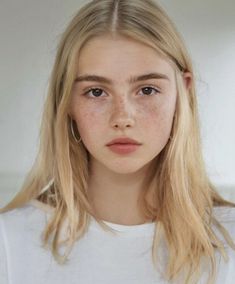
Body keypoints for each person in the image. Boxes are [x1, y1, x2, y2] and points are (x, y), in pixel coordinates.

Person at [0, 0, 235, 283]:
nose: (122, 117)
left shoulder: (228, 242)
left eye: (147, 90)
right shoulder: (9, 243)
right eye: (97, 92)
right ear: (67, 102)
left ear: (182, 93)